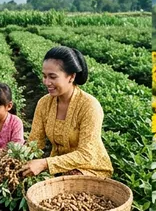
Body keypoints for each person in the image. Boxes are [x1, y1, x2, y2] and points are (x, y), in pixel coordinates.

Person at [20, 46, 113, 178]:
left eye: (52, 77)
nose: (47, 82)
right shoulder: (44, 103)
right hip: (58, 167)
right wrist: (15, 157)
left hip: (90, 167)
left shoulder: (89, 106)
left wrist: (45, 163)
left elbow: (86, 154)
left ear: (71, 77)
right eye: (44, 76)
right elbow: (35, 143)